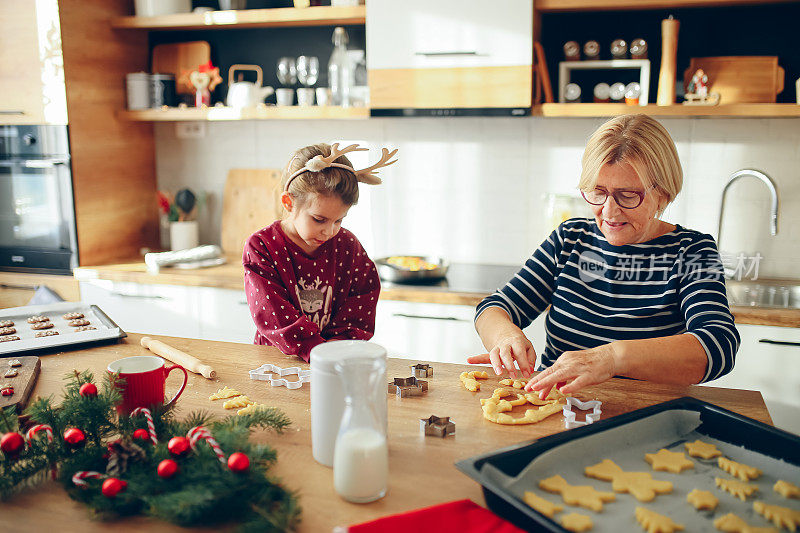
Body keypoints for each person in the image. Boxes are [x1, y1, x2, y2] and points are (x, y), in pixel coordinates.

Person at [469, 114, 739, 398]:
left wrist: (613, 358)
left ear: (663, 194)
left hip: (649, 416)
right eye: (598, 192)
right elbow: (495, 306)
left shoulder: (693, 252)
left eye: (628, 195)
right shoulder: (569, 239)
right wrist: (505, 335)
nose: (609, 211)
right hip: (558, 409)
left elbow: (718, 344)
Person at [243, 142, 397, 361]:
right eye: (319, 219)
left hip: (335, 358)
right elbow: (273, 312)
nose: (329, 231)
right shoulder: (262, 246)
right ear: (289, 202)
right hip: (277, 362)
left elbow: (362, 300)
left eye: (339, 220)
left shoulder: (348, 245)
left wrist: (335, 347)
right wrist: (316, 350)